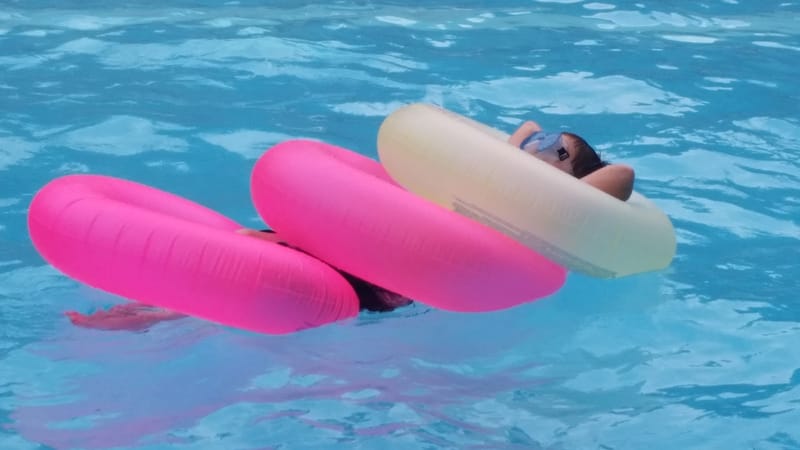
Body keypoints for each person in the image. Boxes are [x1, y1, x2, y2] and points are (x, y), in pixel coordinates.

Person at [66, 118, 634, 331]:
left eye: (555, 150)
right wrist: (530, 145)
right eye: (542, 141)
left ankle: (156, 319)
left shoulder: (541, 217)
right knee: (251, 244)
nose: (537, 143)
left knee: (268, 273)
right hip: (380, 249)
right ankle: (156, 311)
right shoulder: (489, 185)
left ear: (570, 179)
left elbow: (620, 177)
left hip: (392, 279)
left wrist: (559, 165)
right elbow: (525, 127)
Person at [508, 120, 635, 201]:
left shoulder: (565, 199)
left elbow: (624, 173)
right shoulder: (515, 167)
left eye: (560, 151)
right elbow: (529, 127)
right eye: (548, 139)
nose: (545, 146)